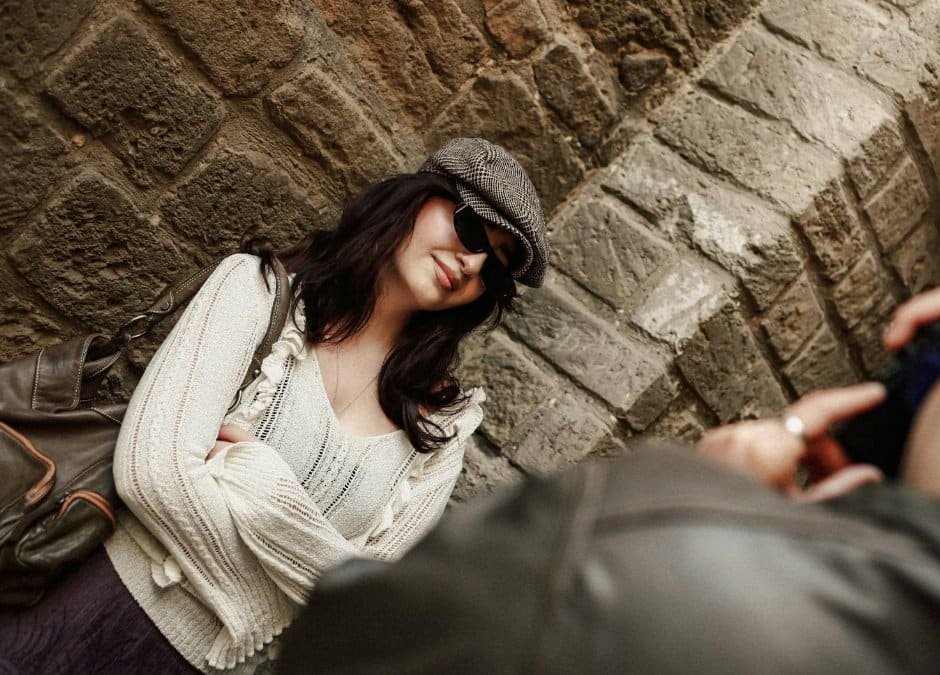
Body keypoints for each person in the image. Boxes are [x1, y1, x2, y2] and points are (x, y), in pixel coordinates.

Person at [278, 190, 940, 674]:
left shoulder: (642, 553)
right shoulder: (263, 292)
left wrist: (693, 500)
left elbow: (348, 635)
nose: (470, 259)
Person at [0, 138, 550, 674]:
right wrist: (267, 609)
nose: (474, 262)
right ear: (416, 197)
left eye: (496, 267)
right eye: (471, 227)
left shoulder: (439, 434)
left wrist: (261, 486)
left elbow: (366, 611)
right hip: (79, 614)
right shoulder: (257, 294)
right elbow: (152, 475)